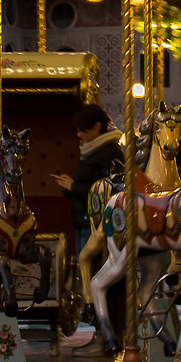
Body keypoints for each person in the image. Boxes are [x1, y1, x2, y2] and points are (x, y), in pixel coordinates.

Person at [52, 103, 123, 274]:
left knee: (91, 269)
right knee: (85, 267)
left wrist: (74, 186)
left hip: (94, 223)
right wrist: (69, 187)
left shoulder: (110, 152)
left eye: (82, 130)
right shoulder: (92, 151)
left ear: (97, 126)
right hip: (83, 220)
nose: (79, 135)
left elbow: (109, 190)